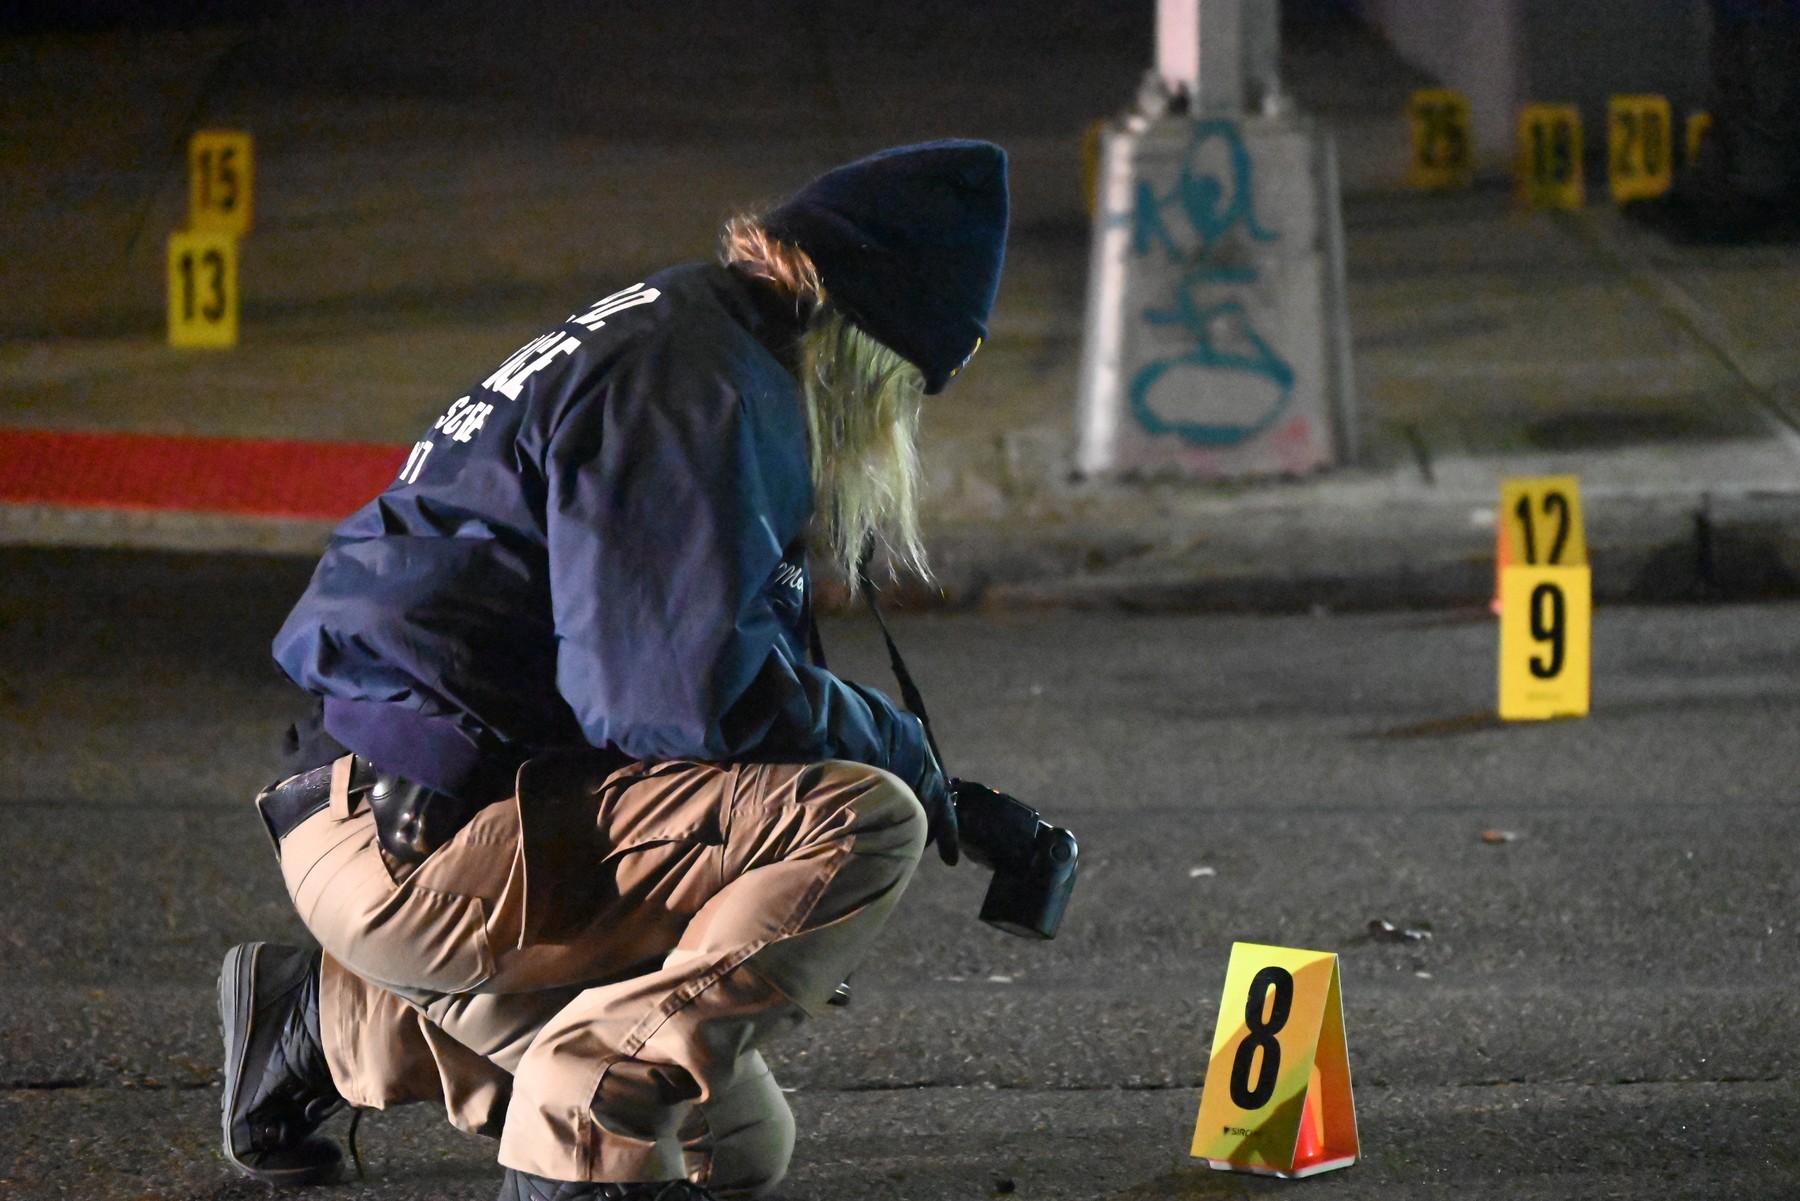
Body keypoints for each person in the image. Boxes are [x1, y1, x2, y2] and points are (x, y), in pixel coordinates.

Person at [218, 140, 1009, 1200]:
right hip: (416, 836)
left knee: (734, 1152)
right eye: (911, 389)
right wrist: (902, 757)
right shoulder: (707, 392)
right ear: (875, 341)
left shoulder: (681, 327)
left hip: (371, 806)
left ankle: (331, 1018)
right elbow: (665, 702)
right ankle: (576, 1122)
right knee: (864, 819)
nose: (897, 424)